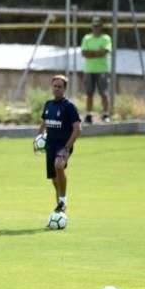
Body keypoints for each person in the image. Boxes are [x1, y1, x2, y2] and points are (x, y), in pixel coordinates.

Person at [37, 75, 82, 214]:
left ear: (64, 89)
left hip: (63, 145)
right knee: (54, 179)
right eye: (55, 86)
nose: (56, 89)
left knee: (59, 165)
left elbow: (77, 128)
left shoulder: (69, 107)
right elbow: (44, 123)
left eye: (59, 86)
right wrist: (38, 139)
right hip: (50, 145)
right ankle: (60, 209)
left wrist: (67, 148)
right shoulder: (48, 105)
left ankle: (62, 200)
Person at [80, 17, 112, 124]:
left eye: (98, 26)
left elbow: (103, 52)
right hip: (89, 70)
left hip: (102, 70)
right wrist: (96, 52)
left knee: (104, 93)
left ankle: (105, 114)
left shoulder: (106, 38)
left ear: (101, 27)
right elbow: (84, 53)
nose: (96, 28)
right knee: (89, 93)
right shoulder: (86, 38)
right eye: (94, 26)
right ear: (92, 27)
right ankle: (88, 115)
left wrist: (91, 53)